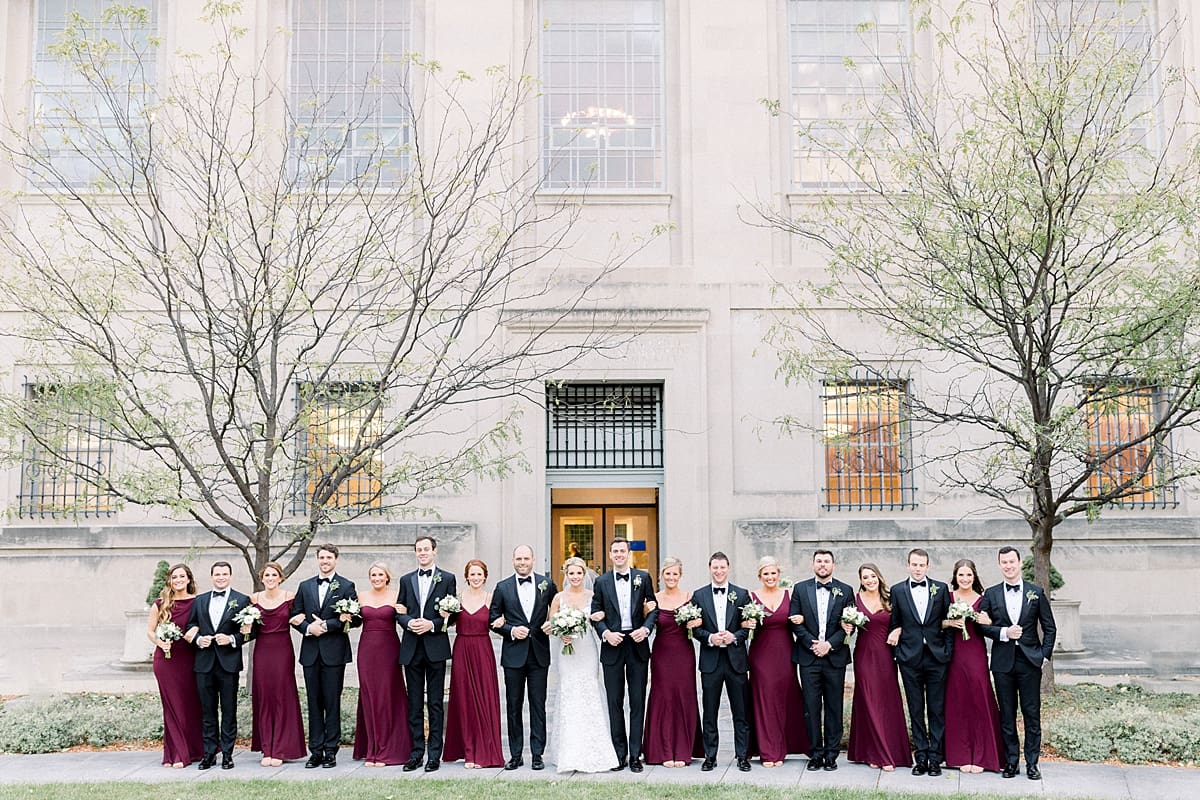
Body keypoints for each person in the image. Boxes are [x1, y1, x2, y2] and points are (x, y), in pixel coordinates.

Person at [978, 546, 1057, 781]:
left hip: (1030, 663)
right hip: (1003, 664)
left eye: (1012, 561)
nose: (1008, 566)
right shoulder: (990, 594)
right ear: (999, 565)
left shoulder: (1036, 592)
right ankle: (1011, 762)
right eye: (1004, 562)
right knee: (1007, 715)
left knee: (1032, 713)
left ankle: (1032, 763)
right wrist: (1003, 632)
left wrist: (1043, 656)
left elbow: (1050, 628)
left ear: (1020, 563)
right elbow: (982, 625)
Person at [545, 557, 620, 773]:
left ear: (584, 574)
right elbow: (550, 624)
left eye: (579, 573)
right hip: (567, 652)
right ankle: (569, 752)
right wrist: (561, 633)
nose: (575, 577)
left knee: (589, 691)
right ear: (566, 575)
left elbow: (601, 617)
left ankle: (593, 750)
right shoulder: (559, 597)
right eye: (571, 574)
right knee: (569, 692)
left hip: (586, 650)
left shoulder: (593, 596)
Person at [590, 537, 657, 772]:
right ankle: (619, 754)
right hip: (613, 646)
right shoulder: (601, 582)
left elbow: (653, 608)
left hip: (637, 645)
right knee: (614, 702)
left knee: (637, 701)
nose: (619, 554)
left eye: (622, 551)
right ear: (609, 555)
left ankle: (635, 755)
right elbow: (595, 612)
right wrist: (606, 633)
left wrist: (646, 629)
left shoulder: (643, 577)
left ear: (628, 553)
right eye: (615, 551)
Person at [489, 544, 558, 771]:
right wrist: (509, 630)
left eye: (526, 558)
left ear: (533, 560)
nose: (522, 562)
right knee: (514, 705)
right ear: (513, 561)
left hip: (539, 653)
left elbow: (557, 610)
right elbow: (493, 619)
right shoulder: (502, 587)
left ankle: (537, 754)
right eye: (518, 558)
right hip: (513, 655)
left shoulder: (547, 585)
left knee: (538, 705)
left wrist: (553, 624)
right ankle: (516, 755)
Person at [887, 548, 954, 776]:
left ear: (928, 566)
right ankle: (921, 757)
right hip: (909, 658)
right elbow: (895, 621)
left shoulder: (941, 589)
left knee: (936, 709)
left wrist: (946, 652)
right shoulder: (897, 590)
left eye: (922, 565)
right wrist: (898, 644)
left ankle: (935, 757)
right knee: (916, 709)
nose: (918, 569)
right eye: (914, 564)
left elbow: (949, 622)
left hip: (936, 657)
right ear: (908, 565)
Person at [291, 543, 358, 769]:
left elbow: (355, 618)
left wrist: (328, 625)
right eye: (322, 557)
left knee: (332, 702)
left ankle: (331, 751)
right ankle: (316, 751)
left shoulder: (347, 586)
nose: (325, 561)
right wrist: (309, 628)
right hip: (311, 653)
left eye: (329, 557)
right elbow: (295, 615)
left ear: (336, 559)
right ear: (317, 559)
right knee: (313, 702)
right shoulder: (305, 585)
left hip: (334, 653)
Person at [395, 535, 457, 772]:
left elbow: (453, 613)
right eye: (418, 550)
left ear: (434, 551)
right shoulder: (406, 579)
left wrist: (431, 624)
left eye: (426, 549)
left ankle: (434, 755)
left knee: (435, 703)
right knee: (414, 704)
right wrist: (409, 622)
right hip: (411, 647)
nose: (422, 553)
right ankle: (416, 753)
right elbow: (399, 610)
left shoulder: (448, 579)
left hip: (435, 646)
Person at [788, 549, 853, 771]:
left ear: (833, 565)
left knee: (834, 707)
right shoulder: (800, 589)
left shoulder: (846, 590)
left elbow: (849, 624)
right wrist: (813, 644)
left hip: (835, 657)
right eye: (819, 561)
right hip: (808, 657)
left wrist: (829, 645)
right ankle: (815, 753)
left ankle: (831, 755)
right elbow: (795, 621)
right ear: (813, 564)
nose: (822, 565)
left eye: (826, 561)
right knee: (811, 707)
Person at [843, 563, 911, 772]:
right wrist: (847, 627)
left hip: (886, 654)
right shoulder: (853, 600)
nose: (870, 580)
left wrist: (897, 629)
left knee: (887, 700)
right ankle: (875, 753)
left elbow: (904, 621)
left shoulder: (891, 598)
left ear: (879, 577)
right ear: (861, 580)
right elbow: (849, 629)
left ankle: (891, 750)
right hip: (864, 654)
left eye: (873, 576)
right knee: (868, 700)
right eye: (865, 577)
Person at [691, 551, 752, 773]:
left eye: (722, 567)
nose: (718, 571)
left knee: (741, 712)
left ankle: (742, 756)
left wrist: (734, 636)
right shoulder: (699, 595)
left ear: (729, 568)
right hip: (711, 661)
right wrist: (709, 637)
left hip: (736, 661)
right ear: (710, 569)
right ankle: (710, 756)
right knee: (710, 710)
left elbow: (748, 626)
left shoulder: (742, 594)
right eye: (715, 568)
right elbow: (694, 628)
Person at [184, 561, 249, 770]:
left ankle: (228, 755)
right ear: (211, 577)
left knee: (229, 711)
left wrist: (231, 639)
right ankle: (209, 754)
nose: (221, 577)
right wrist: (197, 639)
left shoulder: (242, 599)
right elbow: (191, 624)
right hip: (204, 664)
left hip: (228, 663)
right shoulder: (200, 600)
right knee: (208, 712)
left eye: (224, 574)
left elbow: (249, 631)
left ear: (230, 576)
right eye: (217, 574)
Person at [747, 555, 810, 768]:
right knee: (764, 700)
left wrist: (802, 619)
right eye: (766, 573)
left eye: (773, 573)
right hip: (761, 655)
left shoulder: (790, 595)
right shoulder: (751, 596)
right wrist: (748, 623)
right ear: (760, 576)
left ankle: (783, 747)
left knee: (785, 699)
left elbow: (801, 619)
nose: (770, 577)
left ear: (779, 574)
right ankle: (768, 751)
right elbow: (742, 623)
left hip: (785, 654)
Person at [942, 558, 1004, 773]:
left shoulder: (983, 599)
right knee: (957, 700)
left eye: (969, 575)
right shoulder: (947, 597)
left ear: (974, 576)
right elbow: (935, 622)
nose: (965, 579)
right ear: (955, 577)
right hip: (954, 654)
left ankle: (982, 755)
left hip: (975, 652)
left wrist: (987, 622)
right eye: (961, 575)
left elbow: (993, 623)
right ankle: (959, 755)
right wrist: (950, 622)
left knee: (979, 698)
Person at [443, 559, 505, 769]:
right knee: (464, 699)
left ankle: (485, 750)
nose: (476, 578)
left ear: (485, 577)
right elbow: (448, 623)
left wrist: (501, 622)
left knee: (484, 698)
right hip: (461, 648)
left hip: (482, 650)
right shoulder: (456, 599)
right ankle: (468, 751)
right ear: (466, 576)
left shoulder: (491, 598)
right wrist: (445, 616)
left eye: (479, 574)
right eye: (472, 574)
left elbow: (497, 621)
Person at [244, 562, 306, 766]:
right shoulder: (253, 599)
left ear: (280, 577)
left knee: (281, 695)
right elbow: (249, 631)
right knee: (264, 696)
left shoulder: (290, 598)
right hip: (261, 650)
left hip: (282, 649)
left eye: (274, 575)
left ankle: (280, 748)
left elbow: (299, 620)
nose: (270, 578)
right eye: (267, 575)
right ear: (262, 578)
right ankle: (267, 748)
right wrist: (244, 629)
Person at [352, 562, 412, 766]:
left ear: (387, 576)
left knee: (388, 695)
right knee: (370, 696)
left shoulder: (397, 596)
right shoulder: (360, 596)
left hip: (389, 650)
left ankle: (388, 749)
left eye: (380, 574)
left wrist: (404, 612)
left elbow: (406, 619)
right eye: (373, 575)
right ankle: (373, 749)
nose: (376, 578)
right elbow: (355, 621)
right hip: (367, 650)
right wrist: (346, 617)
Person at [643, 557, 700, 768]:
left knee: (683, 697)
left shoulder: (690, 597)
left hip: (684, 653)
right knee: (663, 698)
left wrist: (697, 621)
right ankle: (663, 750)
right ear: (661, 575)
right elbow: (643, 621)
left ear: (680, 575)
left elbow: (701, 620)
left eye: (675, 574)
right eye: (667, 573)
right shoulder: (653, 599)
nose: (671, 577)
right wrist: (646, 611)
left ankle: (684, 751)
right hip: (662, 653)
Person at [146, 563, 203, 768]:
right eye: (174, 577)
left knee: (190, 705)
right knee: (172, 706)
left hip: (190, 660)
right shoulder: (160, 604)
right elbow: (150, 631)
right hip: (166, 660)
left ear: (188, 579)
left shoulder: (198, 602)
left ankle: (194, 750)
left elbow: (201, 625)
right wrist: (160, 642)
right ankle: (177, 753)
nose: (178, 580)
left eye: (182, 576)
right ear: (170, 580)